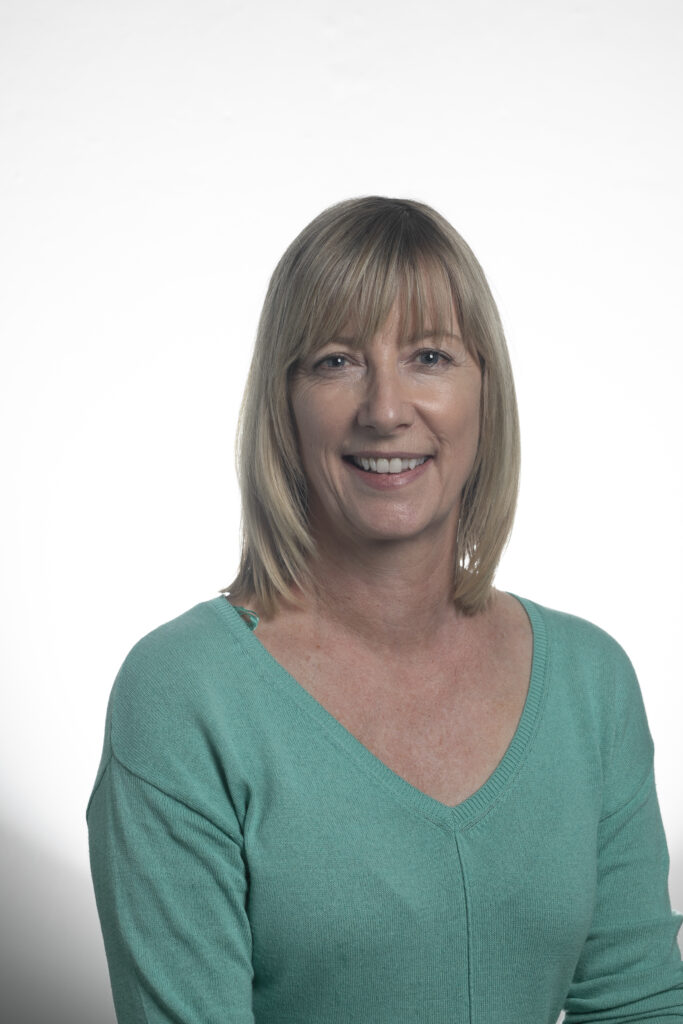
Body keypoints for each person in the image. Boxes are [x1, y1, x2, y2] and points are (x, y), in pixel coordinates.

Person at [87, 196, 683, 1023]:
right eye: (335, 361)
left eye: (429, 356)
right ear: (282, 403)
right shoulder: (185, 694)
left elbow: (637, 1004)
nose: (385, 408)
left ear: (485, 392)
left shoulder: (590, 682)